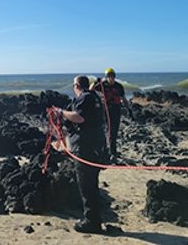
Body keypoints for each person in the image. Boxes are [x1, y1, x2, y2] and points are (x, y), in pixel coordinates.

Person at [53, 75, 107, 234]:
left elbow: (79, 117)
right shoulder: (94, 97)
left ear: (76, 86)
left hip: (86, 149)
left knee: (86, 185)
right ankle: (94, 218)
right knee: (92, 184)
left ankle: (91, 221)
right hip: (95, 146)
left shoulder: (85, 98)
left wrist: (61, 112)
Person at [91, 68, 133, 160]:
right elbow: (90, 91)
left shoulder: (119, 86)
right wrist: (95, 82)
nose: (111, 78)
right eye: (109, 76)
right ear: (106, 77)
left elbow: (124, 99)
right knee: (107, 131)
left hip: (116, 110)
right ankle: (106, 150)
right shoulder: (102, 85)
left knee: (114, 132)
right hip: (105, 110)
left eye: (112, 76)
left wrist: (129, 109)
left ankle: (113, 151)